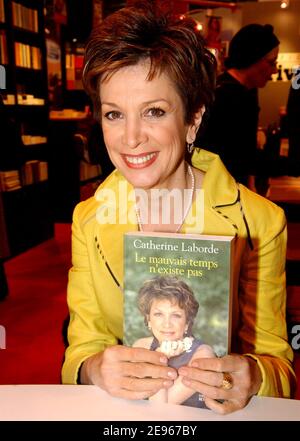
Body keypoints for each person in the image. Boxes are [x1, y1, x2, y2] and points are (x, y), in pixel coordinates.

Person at [62, 2, 296, 414]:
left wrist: (253, 375)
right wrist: (95, 368)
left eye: (154, 111)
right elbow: (80, 350)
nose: (130, 138)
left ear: (192, 120)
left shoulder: (259, 222)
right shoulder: (89, 219)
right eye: (114, 114)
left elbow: (279, 366)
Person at [196, 24, 280, 193]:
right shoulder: (230, 97)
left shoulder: (239, 90)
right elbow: (244, 159)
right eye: (271, 62)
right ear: (253, 59)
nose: (274, 70)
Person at [133, 276, 215, 407]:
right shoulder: (141, 346)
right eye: (158, 314)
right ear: (148, 319)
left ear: (187, 322)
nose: (167, 324)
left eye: (176, 315)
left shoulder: (203, 354)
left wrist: (160, 358)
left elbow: (160, 408)